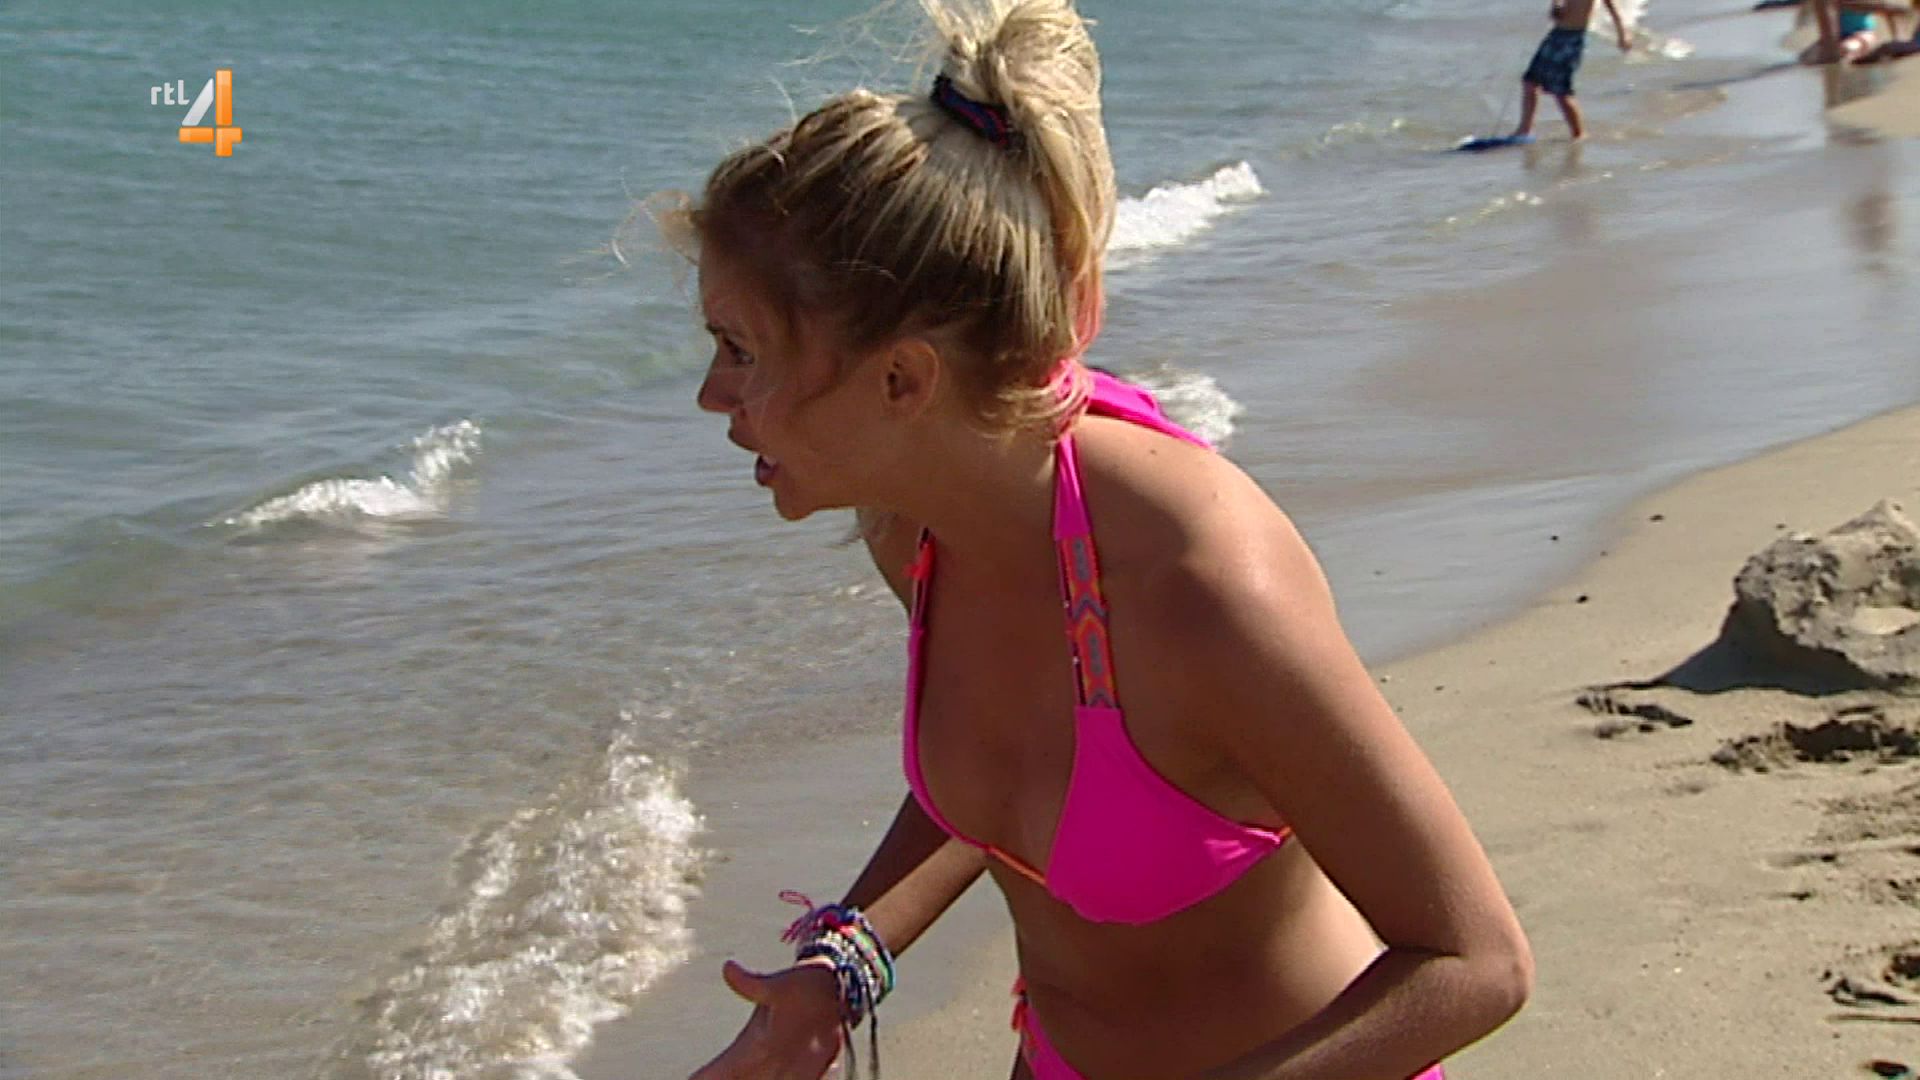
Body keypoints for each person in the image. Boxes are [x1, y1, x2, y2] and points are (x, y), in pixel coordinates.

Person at [678, 2, 1533, 1077]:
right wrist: (843, 963)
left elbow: (1475, 960)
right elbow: (1004, 778)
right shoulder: (916, 525)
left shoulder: (1199, 587)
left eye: (741, 350)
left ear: (902, 381)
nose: (711, 394)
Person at [1511, 0, 1634, 142]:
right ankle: (1525, 130)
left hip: (1573, 39)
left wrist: (1622, 34)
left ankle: (1579, 135)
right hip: (1556, 34)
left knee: (1561, 91)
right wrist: (1556, 6)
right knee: (1530, 81)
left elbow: (1612, 7)